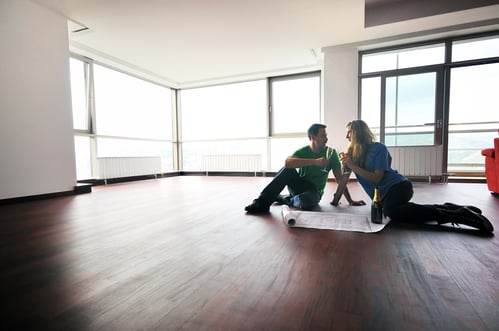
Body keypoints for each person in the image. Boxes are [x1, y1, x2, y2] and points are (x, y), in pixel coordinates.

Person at [339, 119, 494, 233]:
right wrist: (342, 200)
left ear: (358, 133)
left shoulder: (379, 148)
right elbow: (343, 180)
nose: (346, 136)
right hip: (381, 196)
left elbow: (377, 178)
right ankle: (451, 208)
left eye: (349, 132)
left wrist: (352, 165)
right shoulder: (352, 155)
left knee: (392, 212)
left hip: (398, 187)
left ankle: (455, 216)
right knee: (393, 209)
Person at [245, 123, 365, 214]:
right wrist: (314, 162)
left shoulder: (331, 153)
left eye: (326, 135)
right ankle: (262, 202)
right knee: (287, 169)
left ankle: (286, 199)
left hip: (314, 191)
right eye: (323, 136)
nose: (326, 139)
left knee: (305, 202)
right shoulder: (303, 151)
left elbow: (340, 179)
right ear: (313, 137)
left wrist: (350, 200)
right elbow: (287, 163)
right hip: (299, 186)